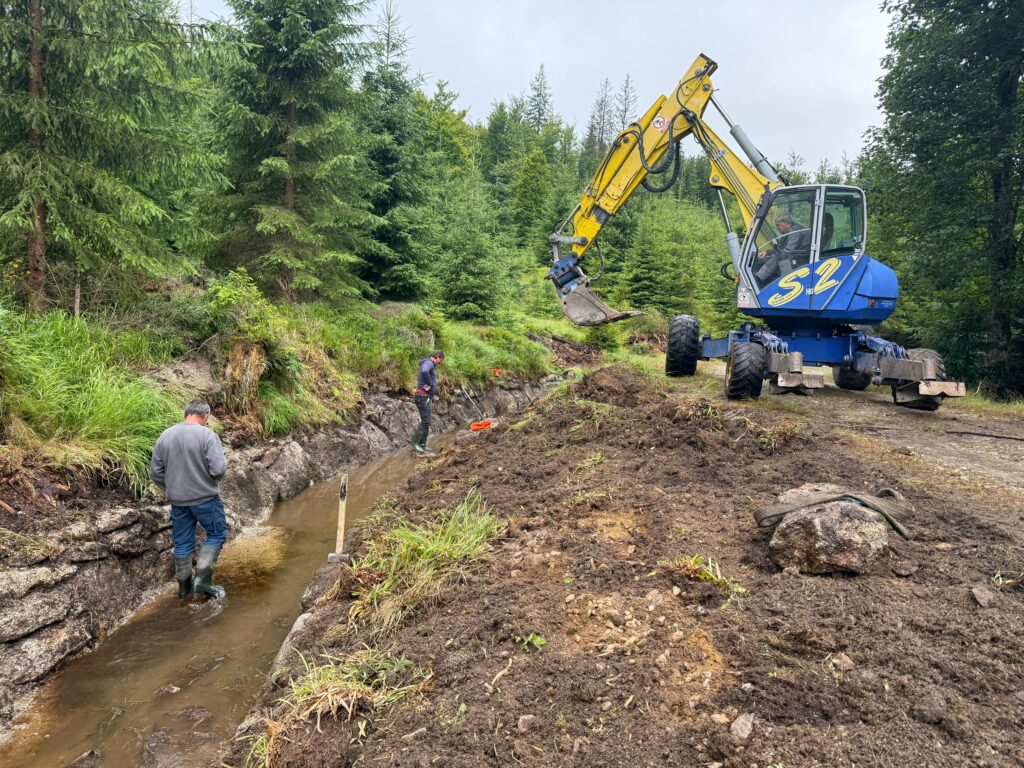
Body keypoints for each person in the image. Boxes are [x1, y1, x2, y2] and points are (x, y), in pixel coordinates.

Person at [151, 400, 229, 599]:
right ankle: (202, 583)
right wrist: (208, 480)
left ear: (186, 414)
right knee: (217, 534)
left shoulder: (165, 436)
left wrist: (171, 488)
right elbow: (219, 470)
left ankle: (184, 588)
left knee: (183, 543)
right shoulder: (207, 435)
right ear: (206, 416)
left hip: (178, 502)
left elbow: (156, 472)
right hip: (206, 499)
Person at [755, 213, 811, 284]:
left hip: (800, 259)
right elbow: (780, 247)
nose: (777, 227)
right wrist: (767, 253)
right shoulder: (787, 232)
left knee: (777, 259)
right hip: (795, 256)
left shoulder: (795, 231)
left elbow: (787, 251)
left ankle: (757, 279)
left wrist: (772, 256)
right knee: (770, 258)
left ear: (786, 222)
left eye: (778, 224)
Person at [411, 350, 445, 456]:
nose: (440, 363)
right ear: (437, 357)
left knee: (427, 422)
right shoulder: (429, 363)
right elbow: (425, 371)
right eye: (441, 360)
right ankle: (416, 442)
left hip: (425, 396)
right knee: (425, 422)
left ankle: (423, 445)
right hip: (423, 396)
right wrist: (429, 384)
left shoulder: (428, 363)